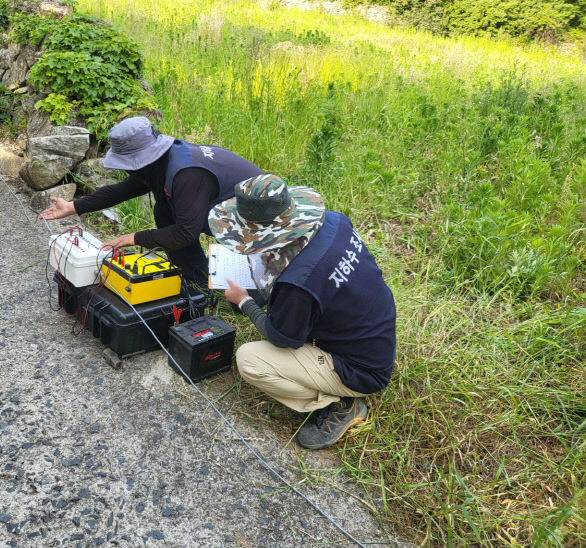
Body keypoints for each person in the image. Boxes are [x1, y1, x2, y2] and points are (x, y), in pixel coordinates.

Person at [208, 174, 396, 449]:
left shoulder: (298, 284)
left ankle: (340, 404)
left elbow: (281, 337)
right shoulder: (334, 221)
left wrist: (244, 301)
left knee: (249, 360)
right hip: (375, 334)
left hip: (361, 369)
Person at [40, 116, 264, 286]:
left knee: (240, 297)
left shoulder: (187, 174)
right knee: (164, 211)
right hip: (229, 207)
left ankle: (254, 278)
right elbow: (123, 190)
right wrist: (74, 206)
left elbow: (185, 232)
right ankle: (197, 279)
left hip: (258, 219)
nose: (127, 170)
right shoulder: (161, 162)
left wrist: (135, 238)